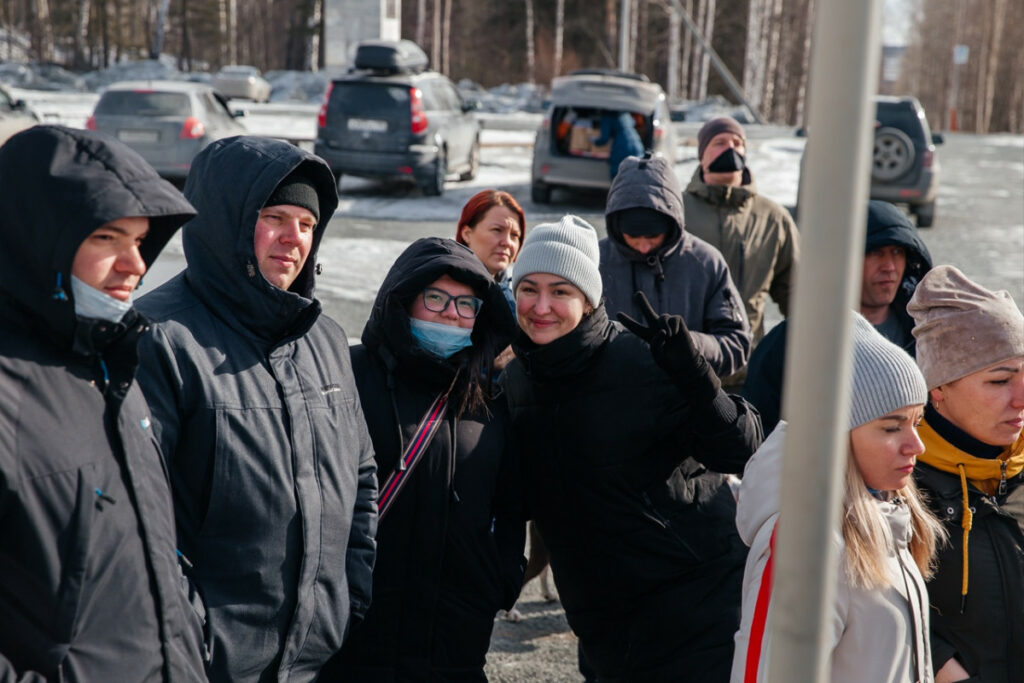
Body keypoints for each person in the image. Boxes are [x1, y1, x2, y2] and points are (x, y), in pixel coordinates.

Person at [135, 136, 377, 683]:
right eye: (275, 217)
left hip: (313, 666)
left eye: (308, 224)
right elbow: (140, 521)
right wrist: (198, 641)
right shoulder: (160, 340)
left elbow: (360, 476)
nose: (295, 239)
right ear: (227, 222)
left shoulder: (327, 340)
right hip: (204, 667)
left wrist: (346, 601)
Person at [502, 215, 762, 681]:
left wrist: (699, 382)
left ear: (588, 298)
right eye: (530, 288)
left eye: (560, 291)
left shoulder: (641, 362)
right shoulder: (517, 381)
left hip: (697, 615)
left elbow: (743, 451)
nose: (541, 306)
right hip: (603, 627)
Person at [0, 125, 207, 680]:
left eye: (139, 242)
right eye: (106, 238)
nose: (135, 265)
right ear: (35, 241)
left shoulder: (112, 367)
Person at [323, 237, 525, 680]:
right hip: (357, 643)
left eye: (467, 304)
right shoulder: (347, 376)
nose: (452, 313)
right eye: (436, 298)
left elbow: (510, 506)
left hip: (453, 644)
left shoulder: (489, 402)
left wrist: (501, 579)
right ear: (404, 301)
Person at [732, 314, 946, 683]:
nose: (917, 445)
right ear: (835, 435)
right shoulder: (810, 546)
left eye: (917, 422)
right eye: (892, 427)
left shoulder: (889, 520)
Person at [905, 265, 1024, 683]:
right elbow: (873, 604)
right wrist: (942, 668)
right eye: (1000, 380)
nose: (1021, 398)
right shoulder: (899, 480)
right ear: (939, 388)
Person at [742, 199, 933, 432]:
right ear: (843, 261)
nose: (889, 266)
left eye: (897, 252)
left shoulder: (927, 337)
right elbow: (757, 436)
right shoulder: (791, 342)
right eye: (876, 253)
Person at [601, 152, 751, 378]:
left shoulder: (706, 262)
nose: (643, 247)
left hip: (685, 404)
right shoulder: (594, 261)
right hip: (608, 401)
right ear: (616, 226)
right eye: (633, 236)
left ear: (672, 225)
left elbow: (737, 342)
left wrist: (690, 345)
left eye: (653, 236)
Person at [683, 116, 800, 385]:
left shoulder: (773, 218)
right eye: (720, 142)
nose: (730, 149)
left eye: (738, 143)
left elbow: (795, 294)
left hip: (747, 374)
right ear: (702, 155)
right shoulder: (677, 211)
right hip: (684, 371)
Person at [455, 189, 526, 312]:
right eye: (497, 230)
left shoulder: (512, 301)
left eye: (514, 235)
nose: (507, 242)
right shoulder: (445, 295)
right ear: (466, 234)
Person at [592, 111, 645, 179]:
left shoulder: (607, 116)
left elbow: (604, 139)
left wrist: (592, 141)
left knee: (618, 177)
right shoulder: (625, 114)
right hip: (636, 144)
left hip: (622, 148)